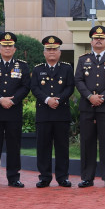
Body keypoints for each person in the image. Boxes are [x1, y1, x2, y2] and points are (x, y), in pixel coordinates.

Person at [74, 25, 105, 188]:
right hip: (87, 107)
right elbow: (78, 80)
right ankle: (87, 177)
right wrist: (90, 96)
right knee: (87, 142)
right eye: (96, 38)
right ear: (91, 41)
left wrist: (102, 97)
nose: (99, 40)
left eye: (102, 38)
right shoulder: (83, 60)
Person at [0, 32, 31, 188]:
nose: (7, 48)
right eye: (4, 46)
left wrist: (13, 100)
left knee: (14, 145)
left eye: (10, 46)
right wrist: (0, 99)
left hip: (13, 110)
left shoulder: (22, 66)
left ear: (15, 49)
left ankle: (13, 177)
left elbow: (25, 86)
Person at [31, 35, 75, 188]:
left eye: (54, 49)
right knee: (43, 147)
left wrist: (58, 100)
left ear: (59, 52)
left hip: (61, 113)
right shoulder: (38, 69)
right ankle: (44, 177)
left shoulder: (67, 68)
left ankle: (62, 177)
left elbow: (70, 87)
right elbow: (34, 88)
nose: (51, 52)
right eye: (48, 49)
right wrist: (47, 100)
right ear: (44, 52)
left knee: (62, 147)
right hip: (44, 114)